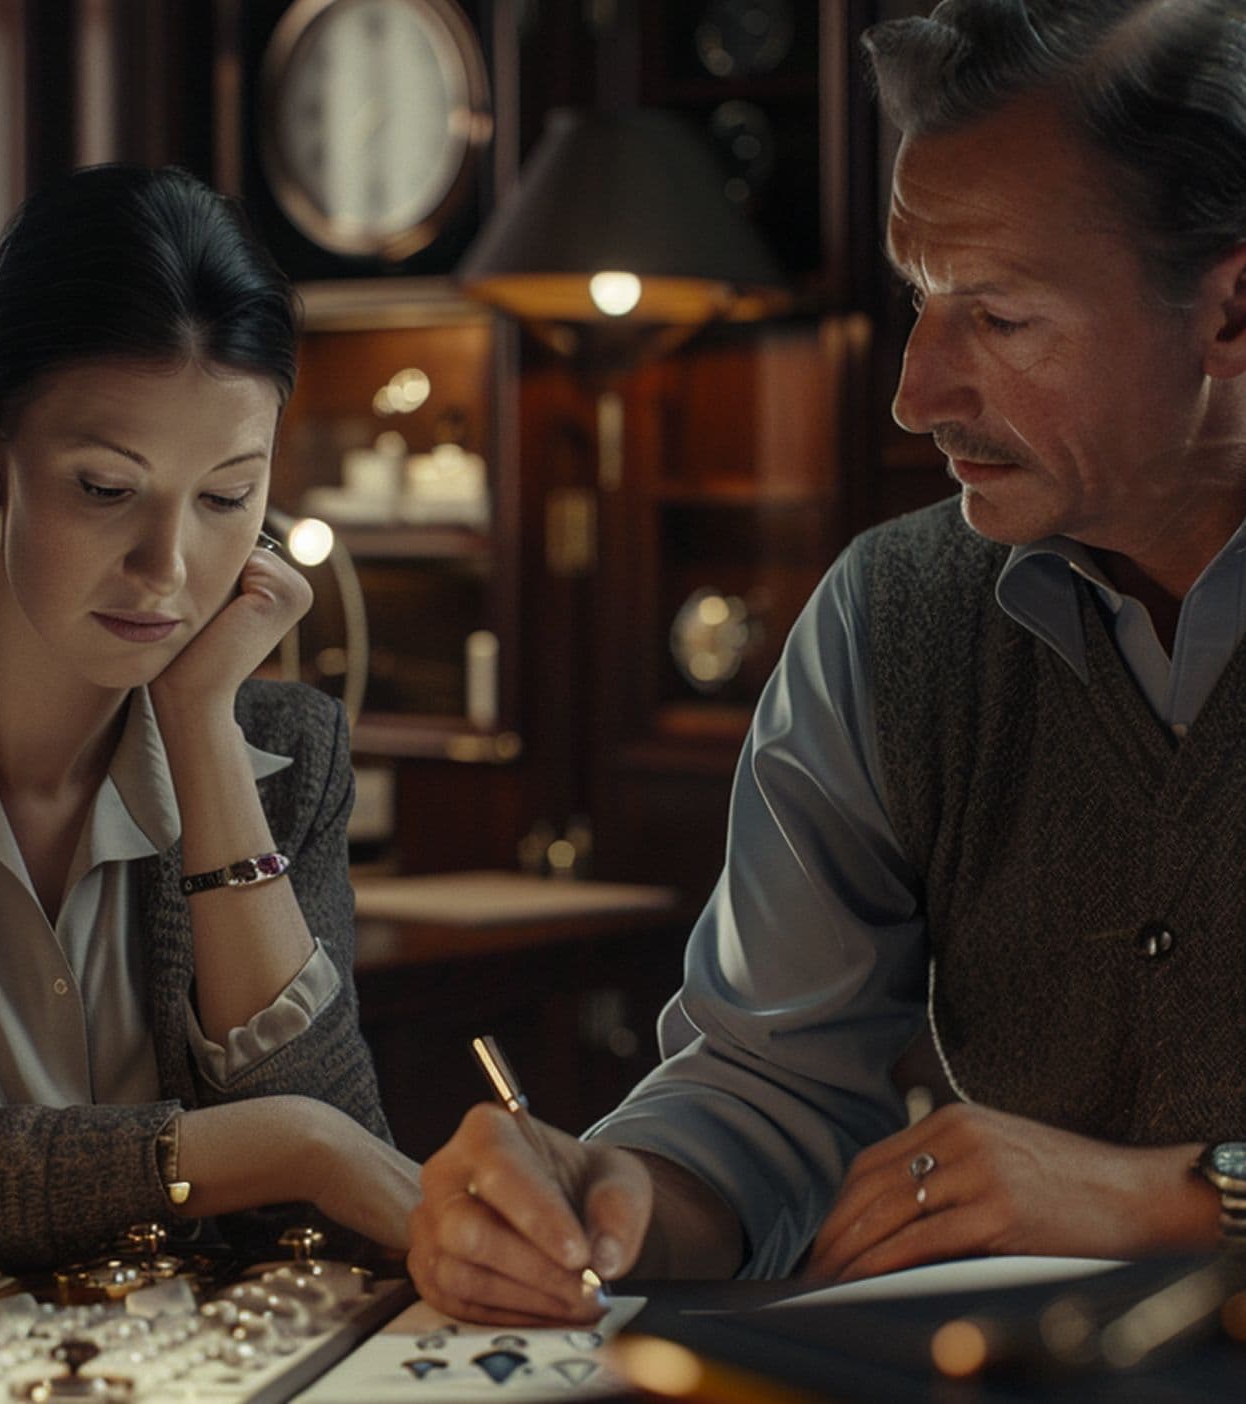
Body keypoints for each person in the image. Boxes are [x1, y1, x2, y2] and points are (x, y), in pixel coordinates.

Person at [407, 0, 1246, 1324]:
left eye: (999, 316)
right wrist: (616, 1193)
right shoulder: (888, 614)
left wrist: (1184, 1202)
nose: (916, 394)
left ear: (1232, 310)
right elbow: (768, 1091)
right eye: (920, 300)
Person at [0, 163, 420, 1271]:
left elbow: (336, 1215)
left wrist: (203, 728)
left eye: (224, 498)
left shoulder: (289, 752)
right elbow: (318, 1152)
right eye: (106, 490)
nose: (167, 568)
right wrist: (274, 1147)